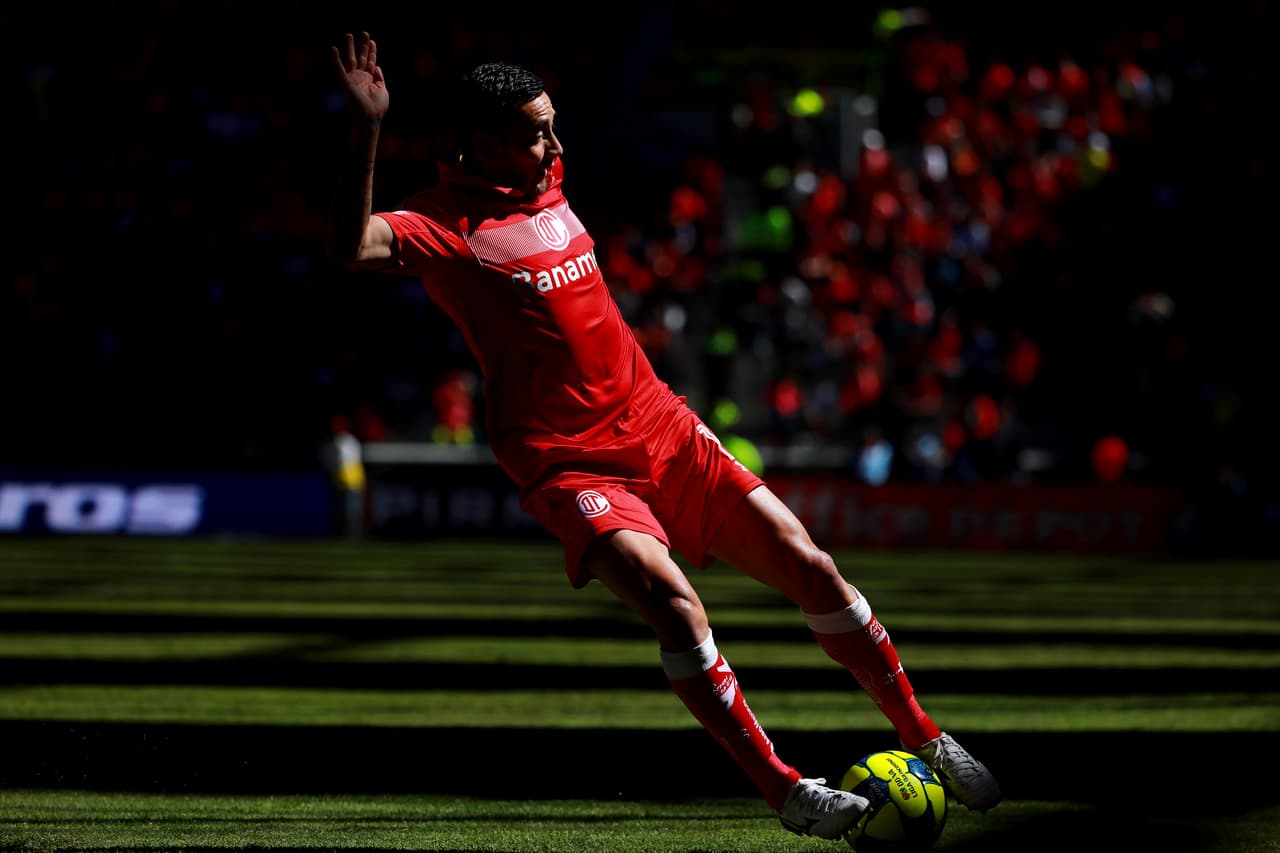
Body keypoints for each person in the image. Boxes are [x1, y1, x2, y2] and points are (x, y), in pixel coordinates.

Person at [327, 32, 1001, 841]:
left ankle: (925, 733)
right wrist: (366, 131)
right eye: (536, 131)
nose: (555, 145)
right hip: (569, 461)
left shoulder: (550, 180)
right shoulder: (446, 226)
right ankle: (786, 789)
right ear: (481, 143)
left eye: (554, 126)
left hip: (662, 426)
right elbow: (352, 246)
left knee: (813, 567)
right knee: (677, 609)